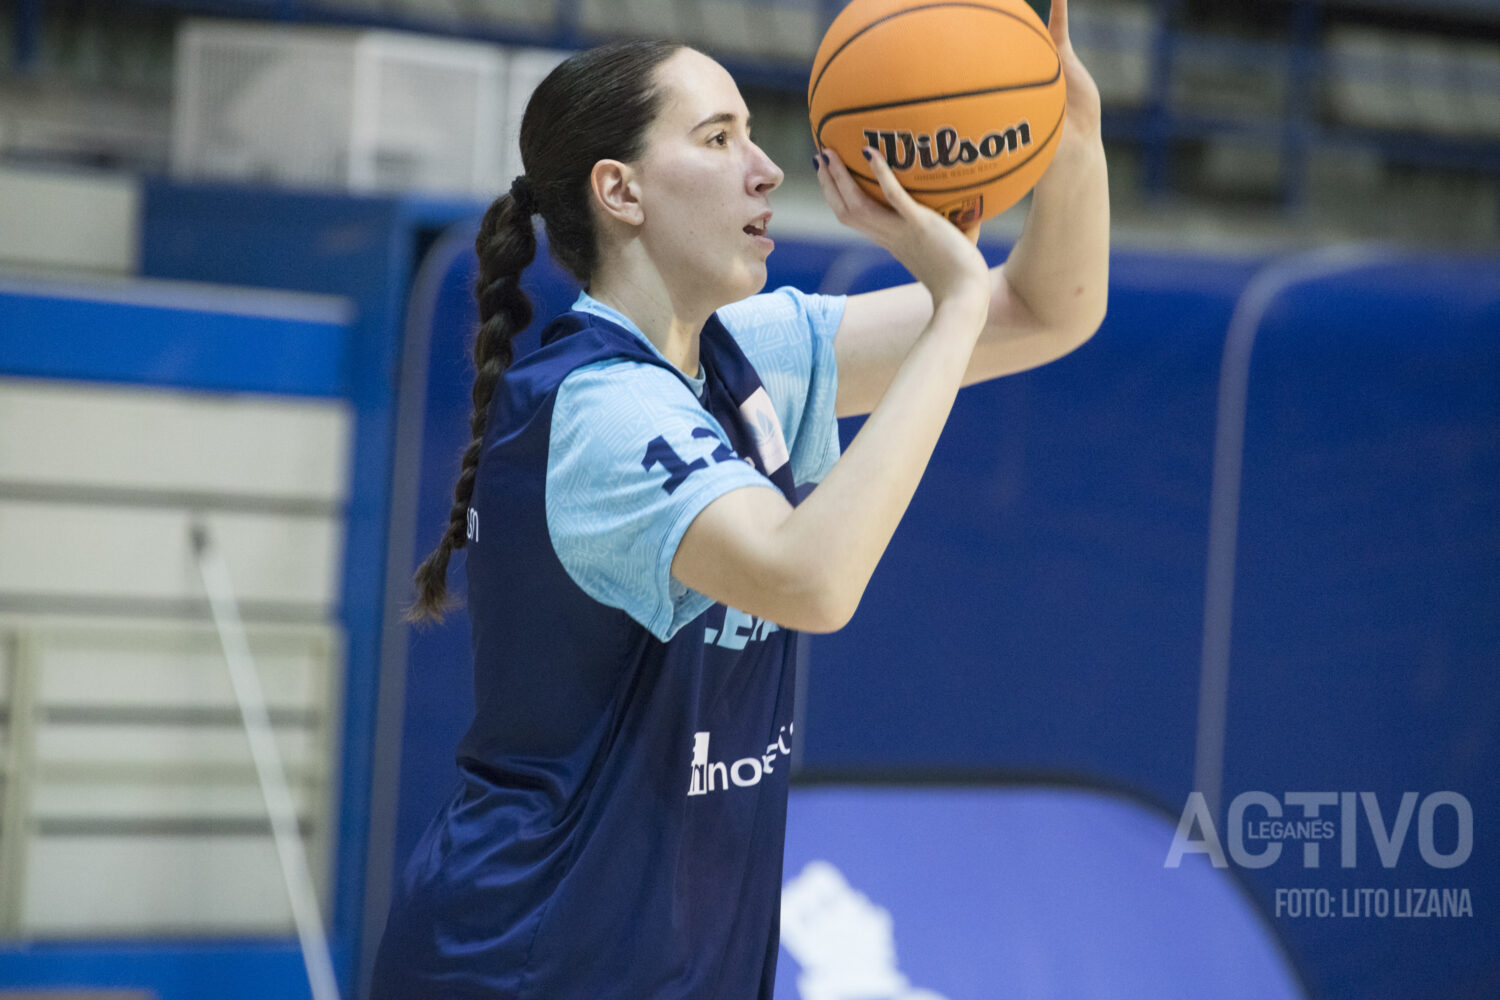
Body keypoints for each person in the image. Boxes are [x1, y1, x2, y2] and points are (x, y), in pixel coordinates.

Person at [371, 1, 1107, 995]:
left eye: (755, 136)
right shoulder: (601, 414)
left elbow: (1048, 309)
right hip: (526, 965)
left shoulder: (747, 352)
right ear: (619, 190)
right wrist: (953, 309)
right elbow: (812, 580)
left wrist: (1069, 129)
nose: (766, 169)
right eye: (718, 139)